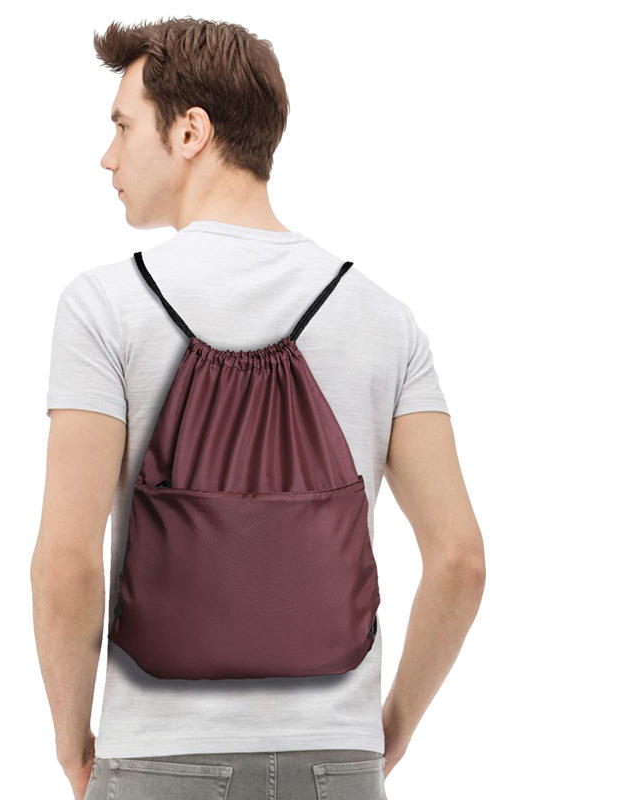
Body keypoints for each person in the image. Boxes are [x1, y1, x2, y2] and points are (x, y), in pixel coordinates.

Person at [30, 17, 485, 800]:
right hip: (336, 761)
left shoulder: (104, 306)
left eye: (122, 126)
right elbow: (460, 559)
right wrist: (388, 732)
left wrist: (74, 746)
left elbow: (67, 563)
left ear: (190, 132)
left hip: (158, 762)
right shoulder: (384, 318)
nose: (108, 156)